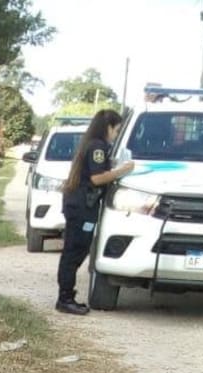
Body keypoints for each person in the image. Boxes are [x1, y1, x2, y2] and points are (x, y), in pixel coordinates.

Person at [56, 109, 134, 315]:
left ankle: (67, 296)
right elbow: (97, 178)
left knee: (76, 250)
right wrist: (123, 170)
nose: (116, 134)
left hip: (81, 205)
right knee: (74, 251)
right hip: (82, 206)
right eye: (116, 130)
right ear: (107, 127)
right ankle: (65, 298)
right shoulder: (97, 147)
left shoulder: (92, 145)